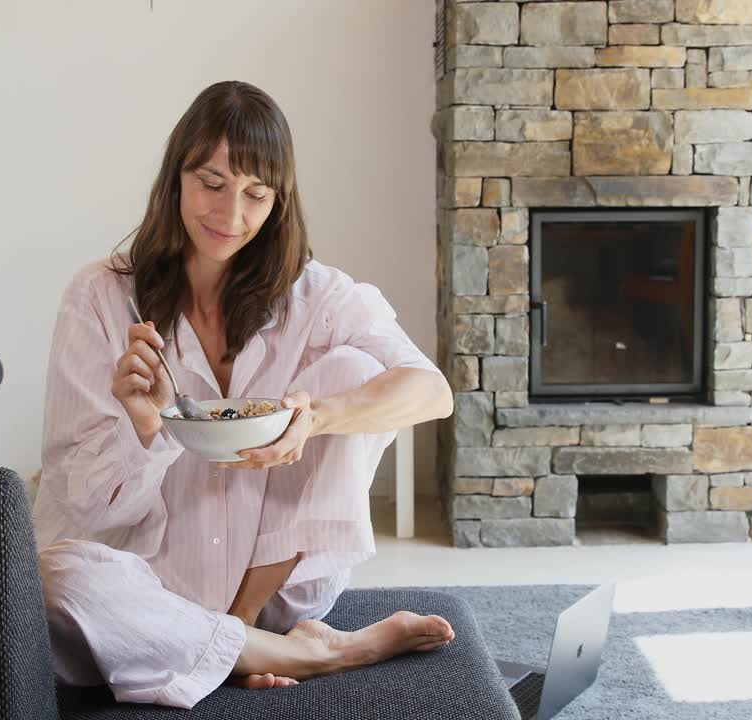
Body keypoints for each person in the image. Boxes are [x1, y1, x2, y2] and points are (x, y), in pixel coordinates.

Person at [33, 80, 455, 709]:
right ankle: (305, 650)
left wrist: (319, 418)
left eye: (256, 195)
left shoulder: (314, 295)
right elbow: (85, 508)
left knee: (349, 369)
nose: (230, 217)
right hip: (143, 587)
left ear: (278, 202)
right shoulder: (98, 296)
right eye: (211, 183)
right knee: (48, 576)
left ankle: (247, 629)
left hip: (276, 589)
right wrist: (144, 431)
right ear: (175, 177)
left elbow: (432, 390)